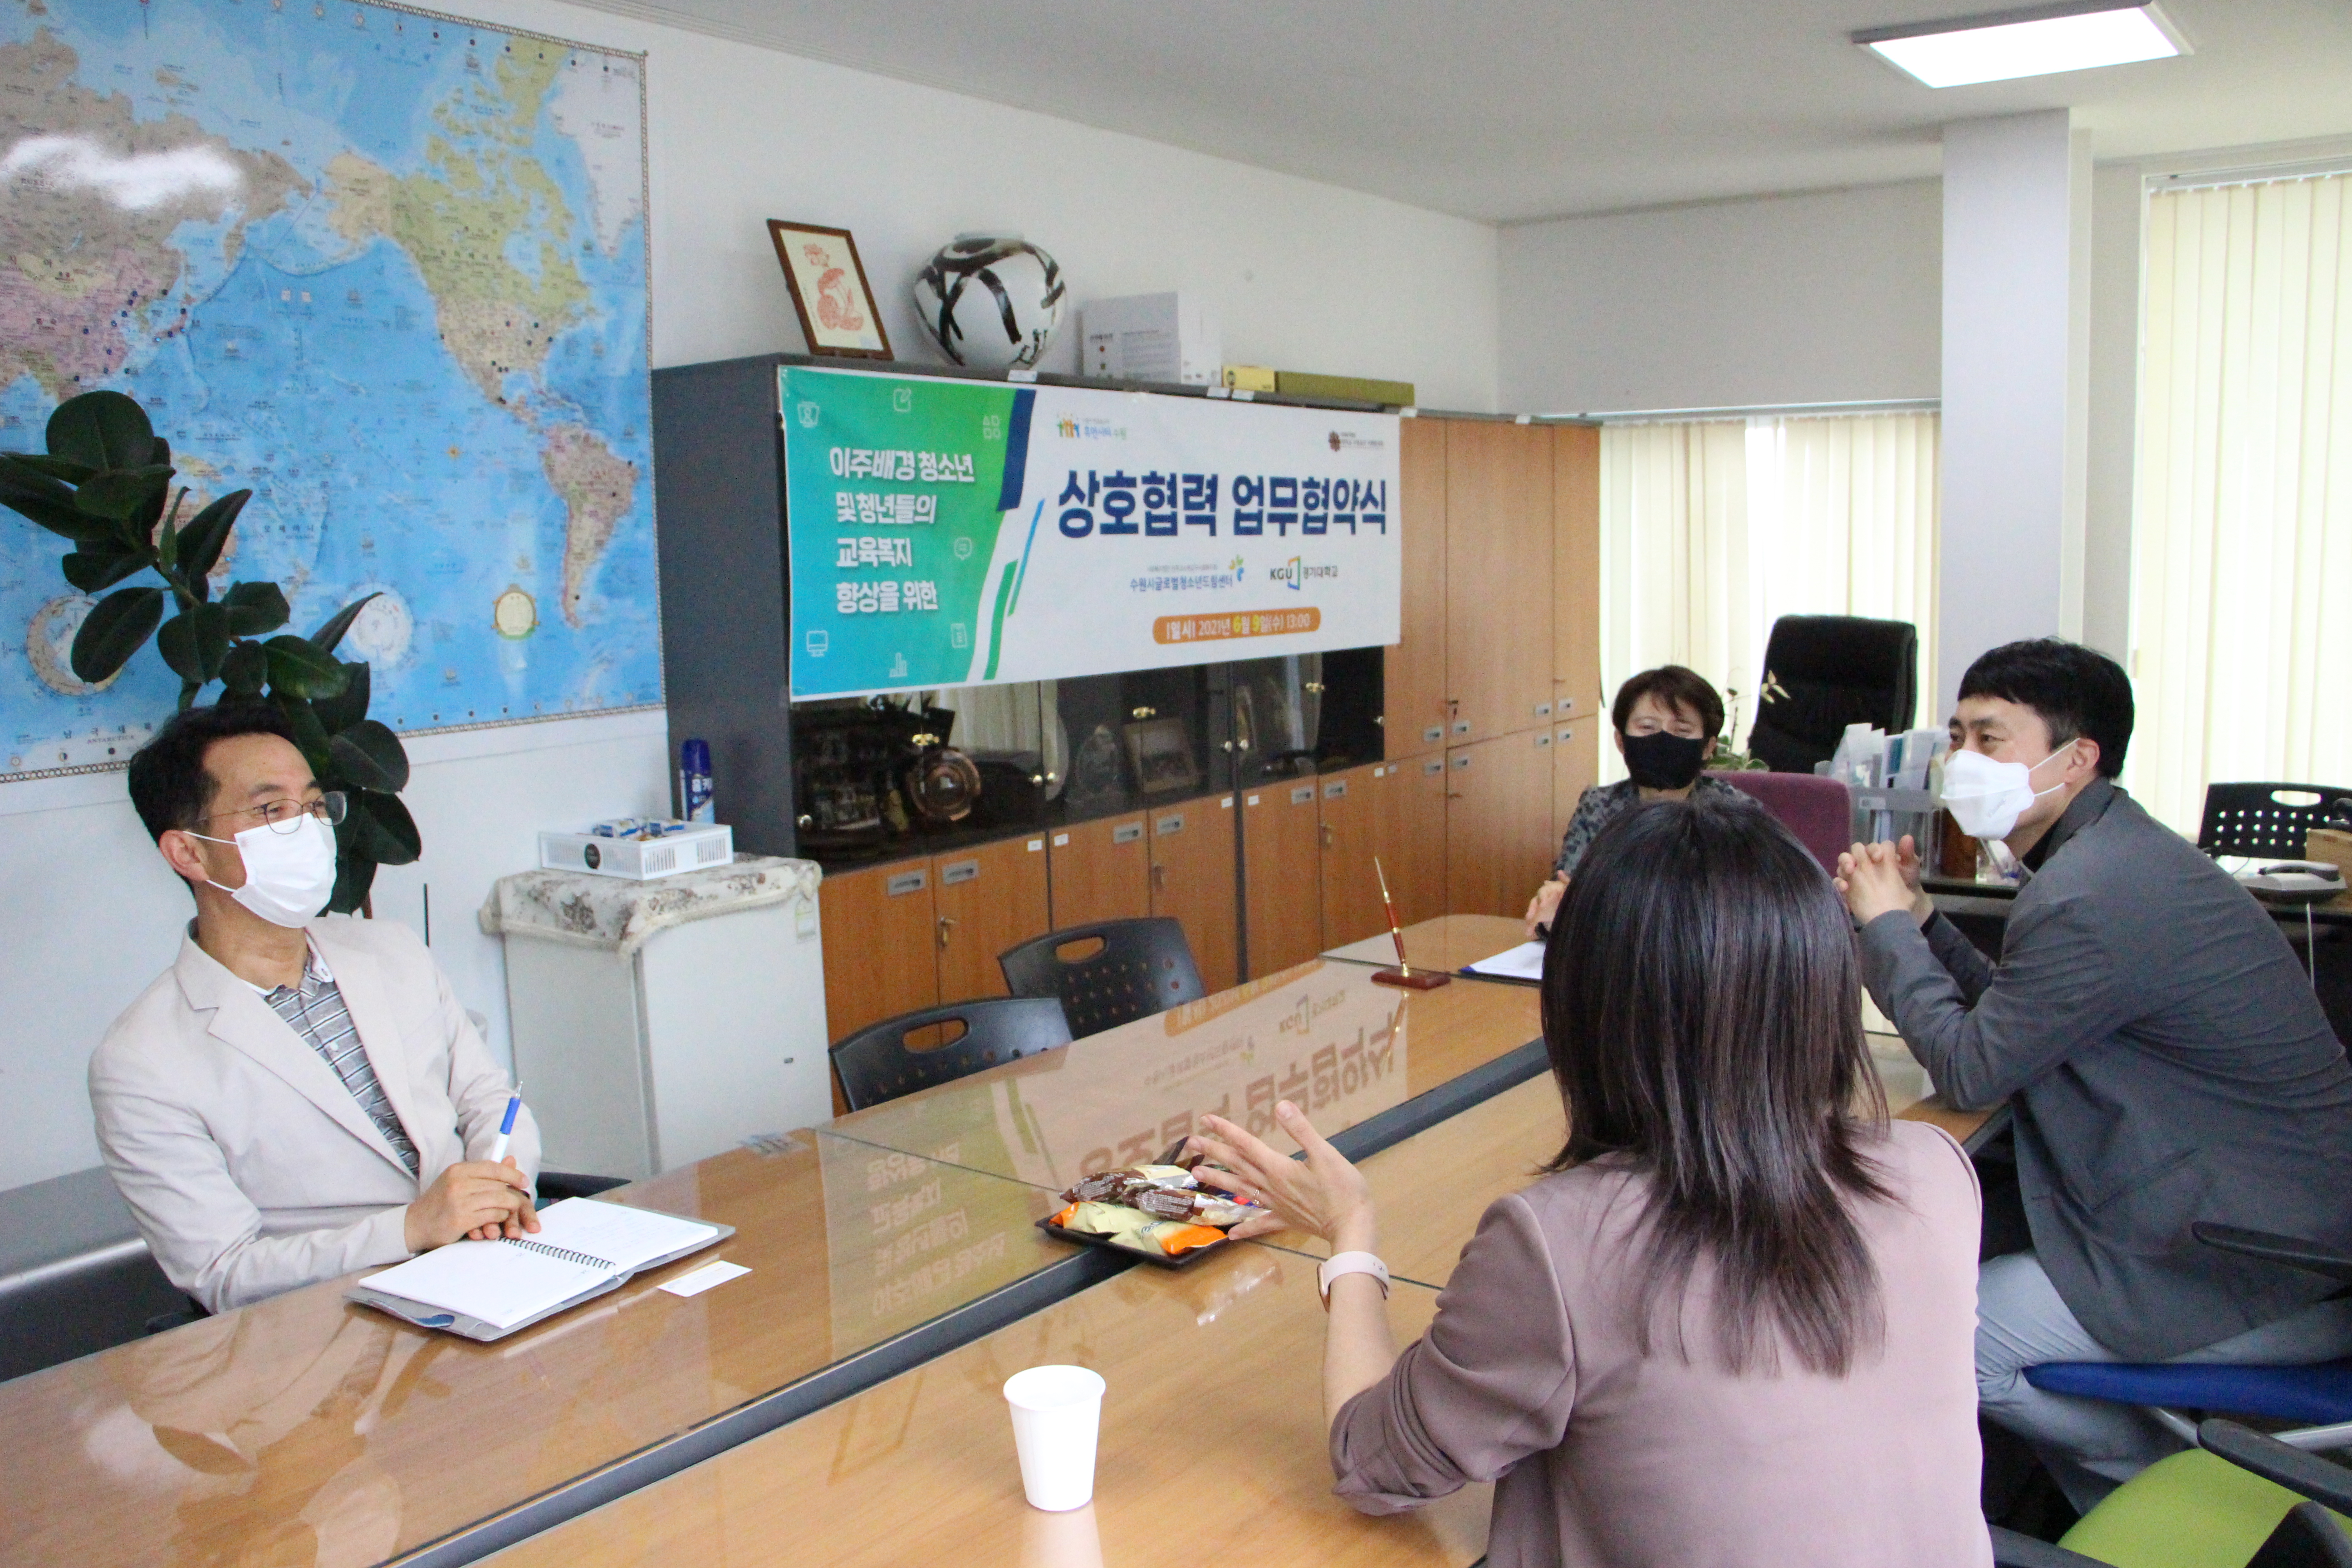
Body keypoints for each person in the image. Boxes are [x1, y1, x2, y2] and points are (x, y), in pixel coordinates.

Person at [1194, 797, 1989, 1568]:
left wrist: (1351, 1237)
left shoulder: (1560, 1242)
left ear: (1585, 1004)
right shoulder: (1933, 1172)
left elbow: (1375, 1463)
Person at [1835, 637, 2352, 1510]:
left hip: (2257, 1266)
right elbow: (2018, 1014)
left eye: (1989, 741)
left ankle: (2179, 1503)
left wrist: (1884, 929)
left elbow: (1969, 1065)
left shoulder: (2093, 892)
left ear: (2076, 758)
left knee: (1927, 1330)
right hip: (2249, 1218)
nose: (1960, 761)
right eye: (1955, 736)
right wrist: (1919, 921)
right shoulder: (2112, 857)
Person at [91, 703, 543, 1315]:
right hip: (333, 1335)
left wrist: (499, 1183)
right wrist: (412, 1230)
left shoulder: (392, 950)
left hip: (492, 1271)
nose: (306, 827)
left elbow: (491, 1100)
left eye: (311, 805)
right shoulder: (142, 1061)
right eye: (271, 810)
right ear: (189, 855)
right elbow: (223, 1272)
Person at [1522, 663, 1748, 938]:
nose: (1663, 740)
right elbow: (1569, 888)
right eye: (1647, 727)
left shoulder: (1735, 812)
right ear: (1621, 741)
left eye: (1682, 730)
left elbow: (1750, 908)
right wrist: (1554, 910)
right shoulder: (1598, 805)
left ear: (1708, 748)